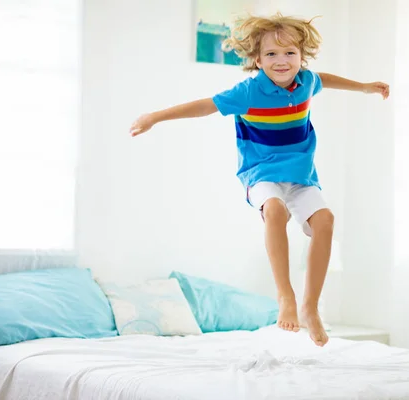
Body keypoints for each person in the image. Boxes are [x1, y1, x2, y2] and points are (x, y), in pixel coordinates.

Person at [129, 13, 389, 346]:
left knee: (325, 220)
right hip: (261, 173)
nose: (281, 62)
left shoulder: (307, 81)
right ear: (257, 59)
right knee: (276, 211)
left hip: (301, 175)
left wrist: (365, 87)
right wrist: (155, 117)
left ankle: (310, 306)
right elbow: (204, 106)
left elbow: (326, 79)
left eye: (289, 53)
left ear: (301, 57)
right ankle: (286, 298)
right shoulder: (248, 91)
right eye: (271, 54)